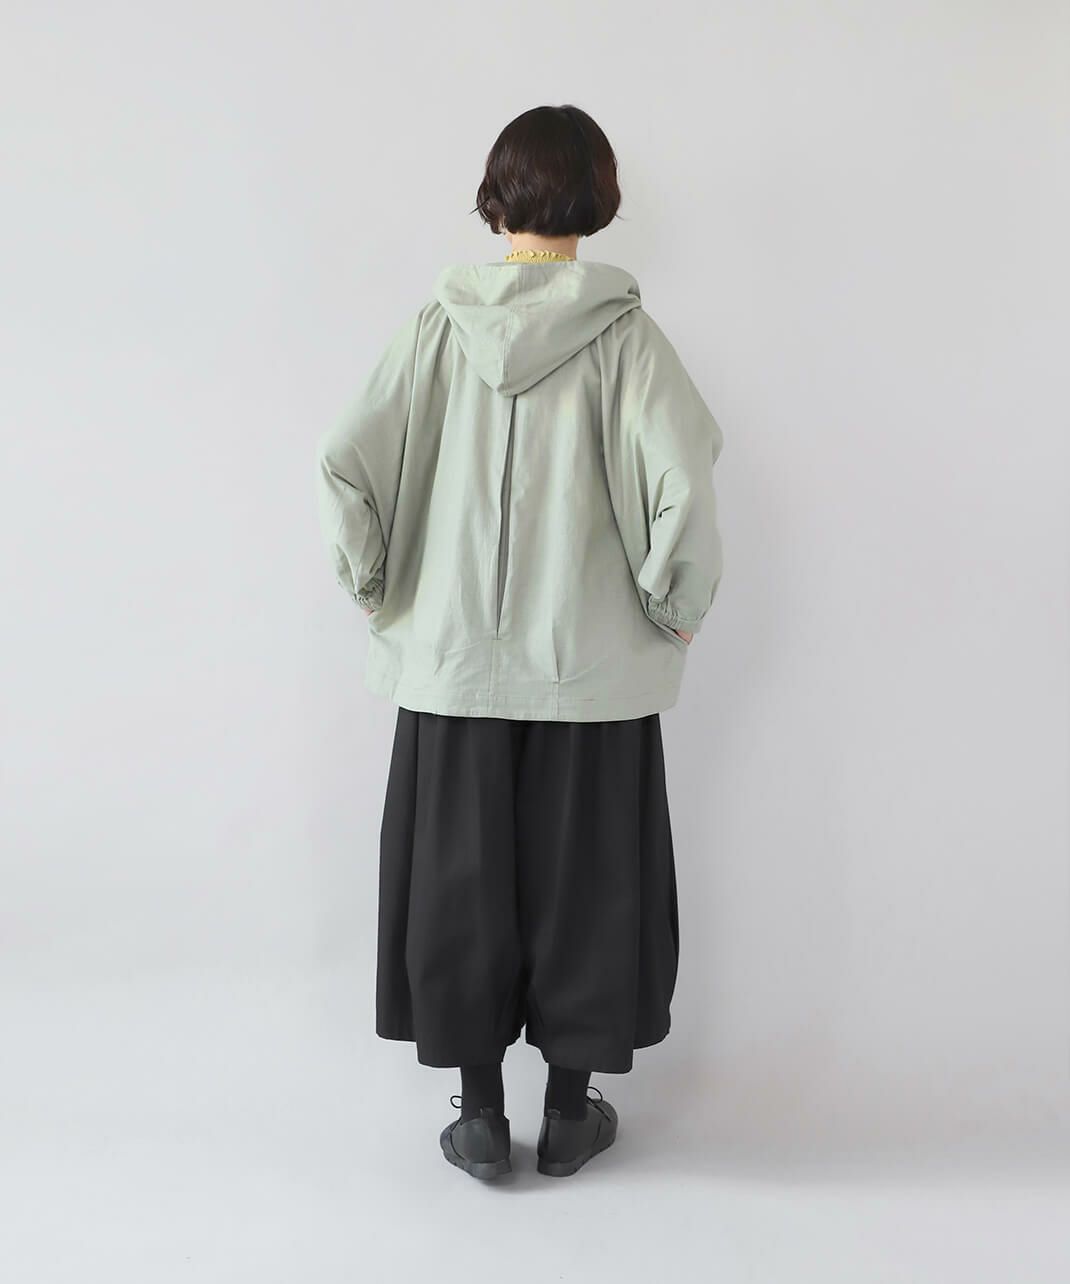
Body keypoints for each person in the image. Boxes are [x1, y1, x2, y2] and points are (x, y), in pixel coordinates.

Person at [314, 104, 723, 1180]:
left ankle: (482, 1117)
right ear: (597, 200)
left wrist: (375, 586)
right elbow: (682, 484)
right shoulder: (627, 339)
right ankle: (572, 1115)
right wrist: (672, 608)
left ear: (497, 199)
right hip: (590, 673)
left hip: (451, 669)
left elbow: (344, 461)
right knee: (589, 887)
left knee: (459, 888)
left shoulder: (434, 330)